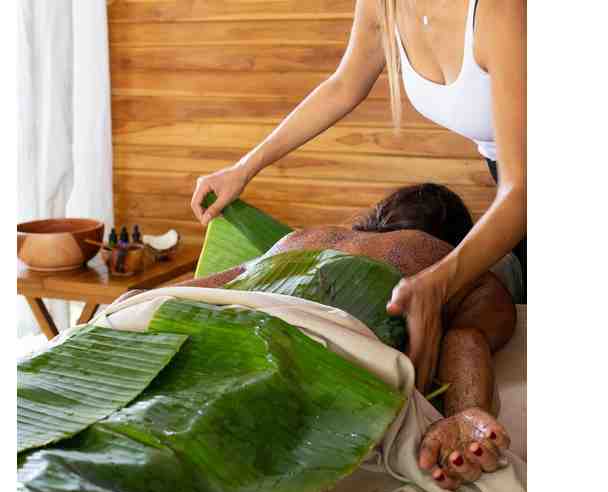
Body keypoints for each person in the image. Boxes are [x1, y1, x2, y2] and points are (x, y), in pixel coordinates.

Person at [189, 0, 526, 402]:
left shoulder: (501, 10)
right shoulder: (383, 5)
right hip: (510, 179)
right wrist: (244, 168)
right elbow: (344, 85)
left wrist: (441, 281)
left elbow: (523, 191)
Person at [181, 183, 517, 490]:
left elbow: (200, 291)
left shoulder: (300, 239)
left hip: (242, 331)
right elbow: (467, 339)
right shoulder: (448, 260)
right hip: (314, 362)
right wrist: (464, 414)